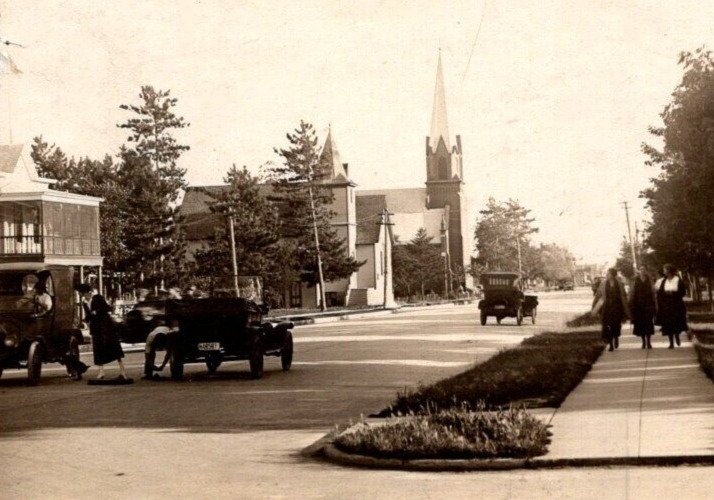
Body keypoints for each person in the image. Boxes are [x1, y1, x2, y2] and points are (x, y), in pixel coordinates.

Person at [78, 284, 127, 379]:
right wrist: (86, 320)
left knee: (114, 348)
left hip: (106, 327)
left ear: (86, 292)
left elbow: (107, 308)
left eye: (81, 292)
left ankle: (122, 371)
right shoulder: (84, 302)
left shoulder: (97, 298)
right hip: (96, 328)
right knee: (98, 350)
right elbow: (89, 315)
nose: (80, 294)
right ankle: (101, 371)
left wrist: (97, 311)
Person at [592, 268, 630, 351]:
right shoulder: (603, 284)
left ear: (613, 275)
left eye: (608, 274)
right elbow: (598, 295)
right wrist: (594, 306)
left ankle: (616, 337)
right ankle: (611, 344)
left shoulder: (619, 284)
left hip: (617, 307)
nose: (607, 275)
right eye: (607, 274)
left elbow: (623, 295)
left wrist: (626, 307)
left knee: (616, 324)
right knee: (607, 325)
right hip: (607, 307)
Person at [655, 264, 688, 349]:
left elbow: (683, 292)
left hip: (676, 305)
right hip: (666, 306)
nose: (663, 271)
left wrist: (673, 293)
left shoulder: (677, 280)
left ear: (669, 271)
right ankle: (671, 343)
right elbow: (660, 293)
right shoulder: (664, 281)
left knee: (676, 323)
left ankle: (677, 335)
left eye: (665, 269)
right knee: (668, 325)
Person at [629, 266, 656, 349]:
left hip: (648, 305)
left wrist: (654, 304)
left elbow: (653, 292)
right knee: (640, 324)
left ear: (646, 271)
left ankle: (649, 342)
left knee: (648, 323)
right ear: (639, 271)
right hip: (638, 306)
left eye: (644, 269)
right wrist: (631, 303)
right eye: (641, 269)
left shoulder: (650, 280)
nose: (642, 271)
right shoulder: (635, 280)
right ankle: (643, 342)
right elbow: (632, 292)